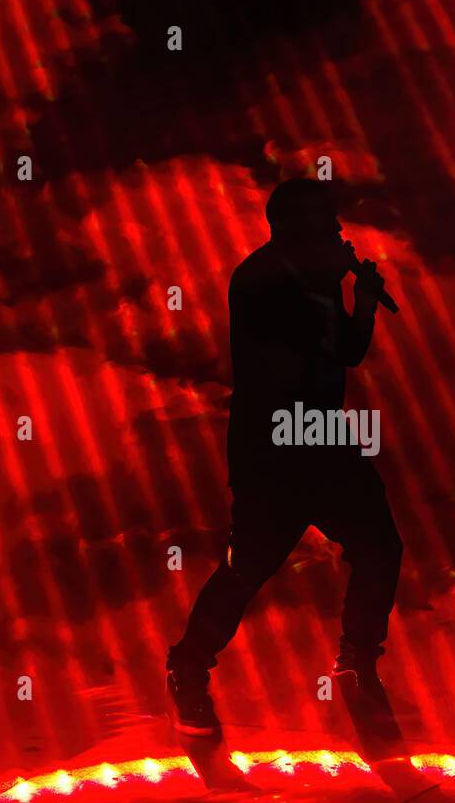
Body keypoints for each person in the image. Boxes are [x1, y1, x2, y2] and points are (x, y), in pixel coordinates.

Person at [165, 178, 403, 736]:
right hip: (272, 447)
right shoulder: (259, 280)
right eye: (327, 222)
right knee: (247, 568)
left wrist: (361, 304)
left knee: (381, 547)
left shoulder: (317, 280)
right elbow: (288, 356)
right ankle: (188, 667)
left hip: (323, 438)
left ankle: (357, 662)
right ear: (296, 226)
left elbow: (345, 353)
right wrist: (328, 278)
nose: (340, 232)